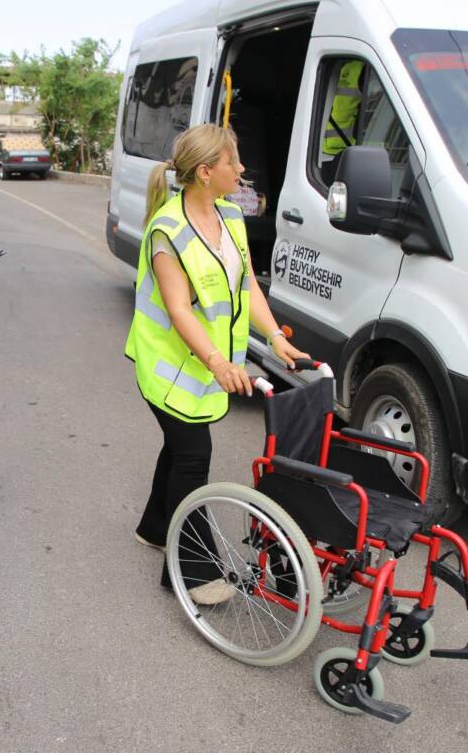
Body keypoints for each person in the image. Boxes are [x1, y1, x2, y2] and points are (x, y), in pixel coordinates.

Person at [125, 124, 309, 605]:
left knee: (178, 449)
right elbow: (179, 309)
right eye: (234, 162)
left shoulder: (230, 216)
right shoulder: (167, 230)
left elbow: (247, 284)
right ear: (206, 172)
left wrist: (273, 339)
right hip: (168, 368)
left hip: (205, 367)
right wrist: (217, 361)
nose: (242, 169)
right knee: (192, 455)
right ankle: (190, 571)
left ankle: (154, 527)